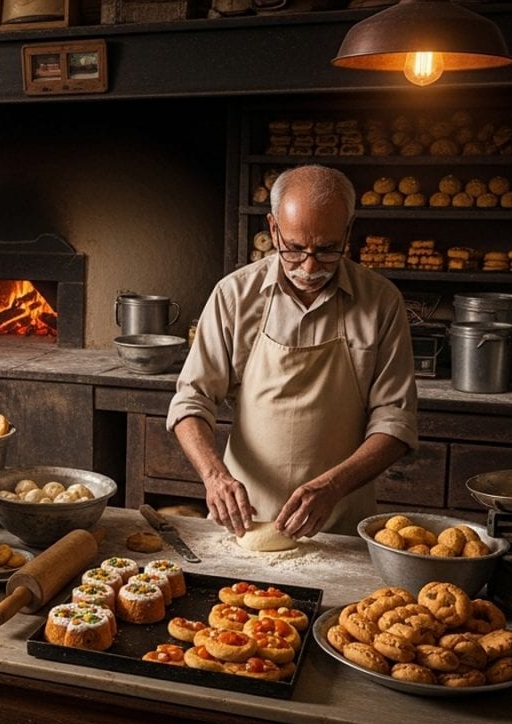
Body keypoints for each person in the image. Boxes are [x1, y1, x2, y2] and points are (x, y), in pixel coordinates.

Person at [167, 164, 417, 539]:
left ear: (348, 232)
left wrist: (333, 487)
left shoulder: (381, 302)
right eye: (295, 249)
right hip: (247, 524)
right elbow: (191, 400)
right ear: (272, 229)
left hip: (340, 525)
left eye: (328, 249)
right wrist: (215, 476)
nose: (311, 266)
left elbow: (395, 422)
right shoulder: (235, 296)